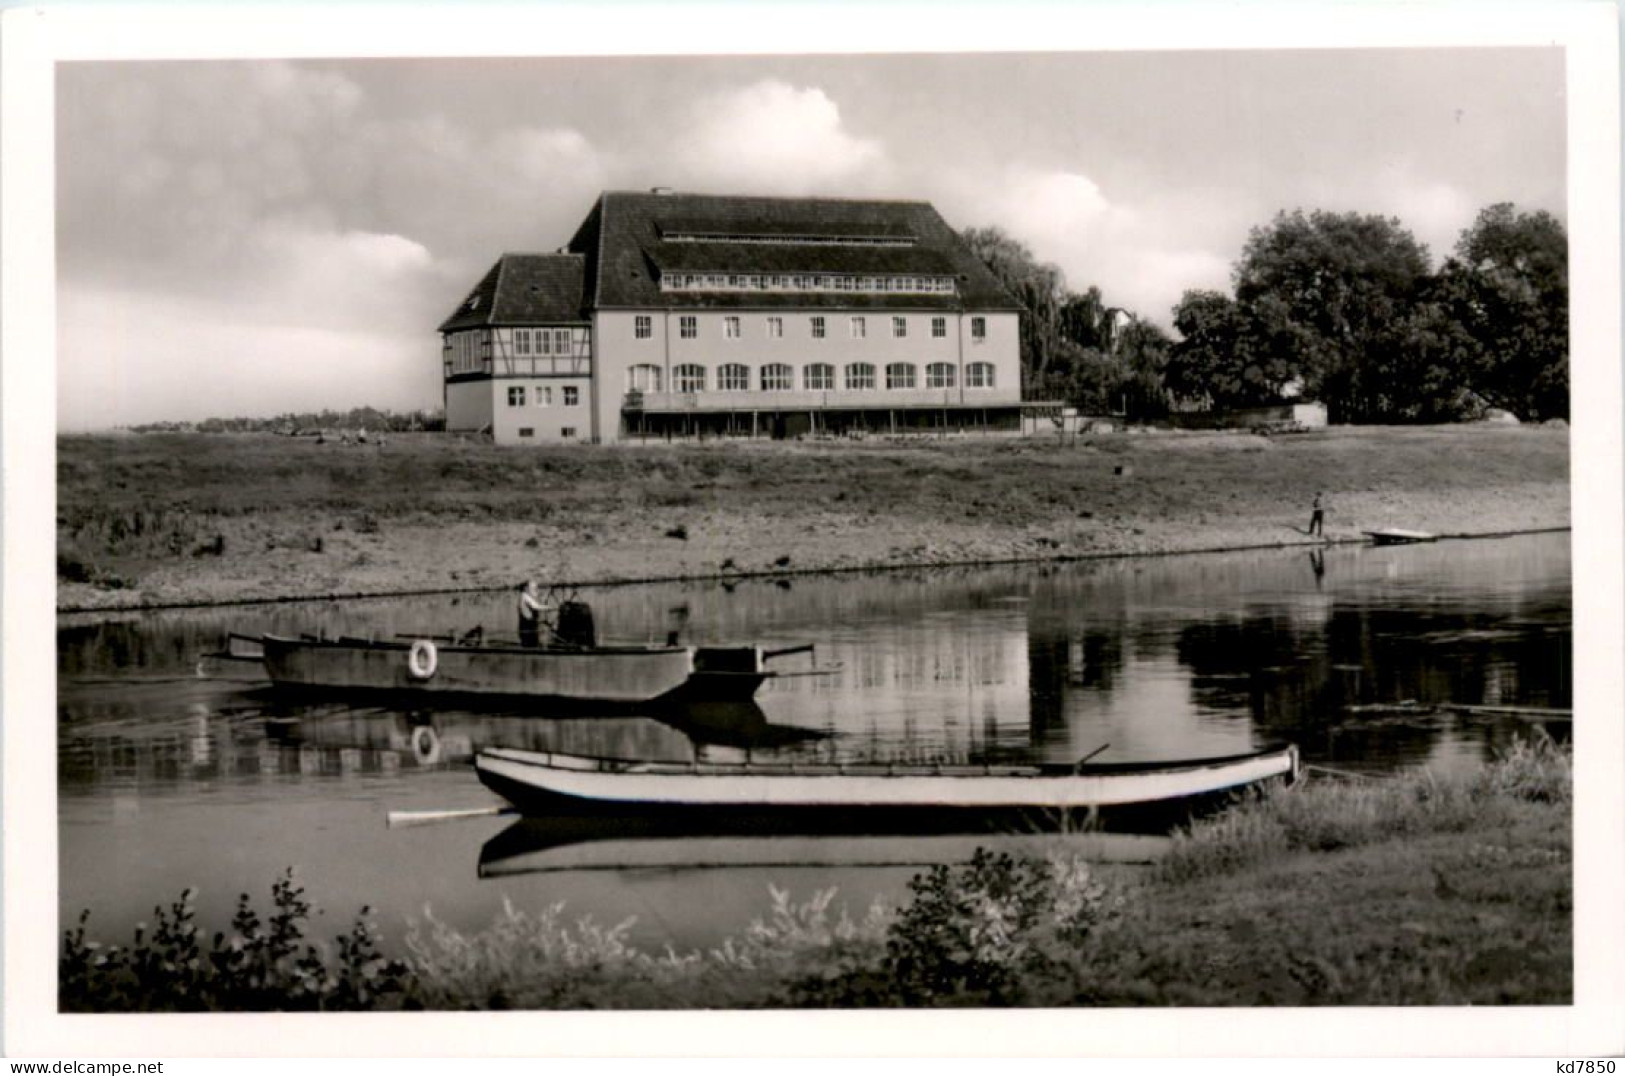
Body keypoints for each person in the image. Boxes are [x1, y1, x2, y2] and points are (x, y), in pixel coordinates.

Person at [517, 580, 544, 647]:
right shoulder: (524, 597)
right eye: (533, 589)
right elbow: (536, 607)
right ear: (526, 589)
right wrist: (553, 608)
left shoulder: (526, 596)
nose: (536, 590)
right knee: (529, 642)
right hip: (527, 626)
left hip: (530, 626)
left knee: (532, 641)